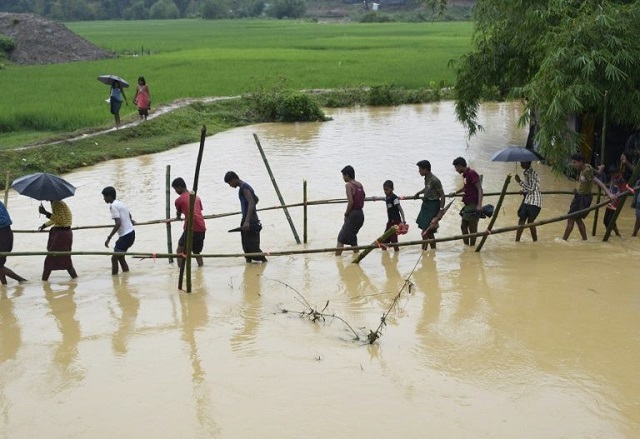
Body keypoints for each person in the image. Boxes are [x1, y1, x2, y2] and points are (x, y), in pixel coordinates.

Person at [562, 153, 616, 241]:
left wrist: (608, 193)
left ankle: (564, 240)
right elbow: (597, 173)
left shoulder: (586, 171)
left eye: (575, 162)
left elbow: (597, 181)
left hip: (583, 198)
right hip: (580, 196)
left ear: (581, 162)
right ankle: (584, 240)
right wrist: (600, 170)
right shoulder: (587, 166)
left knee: (571, 218)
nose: (573, 165)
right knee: (577, 219)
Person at [224, 171, 267, 263]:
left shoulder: (244, 188)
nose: (230, 186)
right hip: (248, 218)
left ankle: (264, 262)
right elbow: (256, 199)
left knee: (253, 248)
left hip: (250, 220)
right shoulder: (244, 187)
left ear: (233, 179)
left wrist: (247, 221)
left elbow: (251, 202)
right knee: (247, 247)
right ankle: (249, 267)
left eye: (229, 183)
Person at [38, 200, 78, 280]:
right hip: (64, 233)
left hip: (61, 235)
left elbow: (61, 221)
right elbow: (57, 219)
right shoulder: (57, 202)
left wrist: (46, 213)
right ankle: (75, 280)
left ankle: (44, 284)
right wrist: (44, 225)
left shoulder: (56, 203)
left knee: (50, 260)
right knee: (66, 260)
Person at [172, 177, 206, 267]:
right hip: (202, 227)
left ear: (179, 187)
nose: (175, 191)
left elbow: (179, 213)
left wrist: (178, 217)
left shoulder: (179, 200)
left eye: (175, 189)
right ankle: (201, 269)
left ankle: (180, 271)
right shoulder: (196, 197)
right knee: (196, 252)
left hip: (192, 228)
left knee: (179, 251)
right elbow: (197, 211)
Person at [449, 157, 483, 246]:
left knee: (472, 227)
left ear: (460, 166)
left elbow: (479, 188)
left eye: (456, 168)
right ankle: (467, 246)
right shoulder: (465, 175)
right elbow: (466, 188)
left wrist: (479, 204)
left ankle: (472, 247)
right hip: (467, 204)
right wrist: (456, 192)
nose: (456, 170)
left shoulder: (472, 173)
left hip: (473, 204)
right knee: (463, 226)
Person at [102, 186, 135, 275]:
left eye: (104, 196)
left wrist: (109, 237)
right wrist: (130, 221)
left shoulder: (113, 206)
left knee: (114, 258)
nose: (104, 199)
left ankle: (115, 280)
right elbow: (129, 215)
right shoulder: (120, 203)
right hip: (131, 233)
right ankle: (126, 277)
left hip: (125, 236)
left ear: (109, 196)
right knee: (121, 257)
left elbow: (118, 223)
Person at [414, 160, 445, 249]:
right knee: (429, 232)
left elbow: (442, 195)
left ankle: (424, 251)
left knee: (425, 232)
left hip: (432, 206)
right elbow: (427, 188)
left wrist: (441, 210)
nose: (419, 171)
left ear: (425, 170)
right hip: (426, 206)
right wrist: (419, 192)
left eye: (420, 169)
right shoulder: (427, 178)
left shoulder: (435, 180)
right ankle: (433, 251)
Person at [335, 165, 365, 256]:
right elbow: (363, 196)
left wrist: (346, 213)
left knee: (341, 238)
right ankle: (357, 257)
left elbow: (351, 202)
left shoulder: (348, 185)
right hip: (360, 214)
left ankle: (337, 258)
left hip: (353, 214)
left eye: (343, 176)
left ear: (347, 175)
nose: (343, 178)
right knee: (352, 237)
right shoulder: (359, 184)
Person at [514, 161, 542, 242]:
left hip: (534, 201)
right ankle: (517, 241)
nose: (521, 164)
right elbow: (528, 186)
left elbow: (531, 188)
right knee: (522, 219)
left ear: (528, 163)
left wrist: (519, 181)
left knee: (530, 221)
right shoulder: (526, 172)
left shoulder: (532, 173)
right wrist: (523, 190)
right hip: (528, 199)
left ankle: (535, 241)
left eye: (523, 163)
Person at [0, 201, 27, 285]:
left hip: (3, 235)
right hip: (4, 234)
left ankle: (22, 281)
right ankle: (4, 286)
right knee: (0, 264)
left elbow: (5, 220)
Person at [601, 165, 626, 237]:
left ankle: (616, 233)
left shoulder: (621, 180)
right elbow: (612, 187)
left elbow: (622, 191)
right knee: (605, 221)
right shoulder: (613, 178)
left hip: (616, 203)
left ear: (618, 172)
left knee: (610, 221)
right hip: (610, 201)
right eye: (612, 174)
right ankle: (609, 233)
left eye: (614, 174)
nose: (613, 175)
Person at [382, 180, 406, 251]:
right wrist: (375, 198)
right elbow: (384, 199)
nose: (385, 191)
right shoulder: (387, 198)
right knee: (384, 239)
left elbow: (400, 209)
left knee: (394, 240)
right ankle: (385, 257)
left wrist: (403, 220)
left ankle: (396, 254)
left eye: (387, 189)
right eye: (384, 190)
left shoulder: (394, 198)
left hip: (396, 222)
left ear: (392, 189)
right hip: (390, 222)